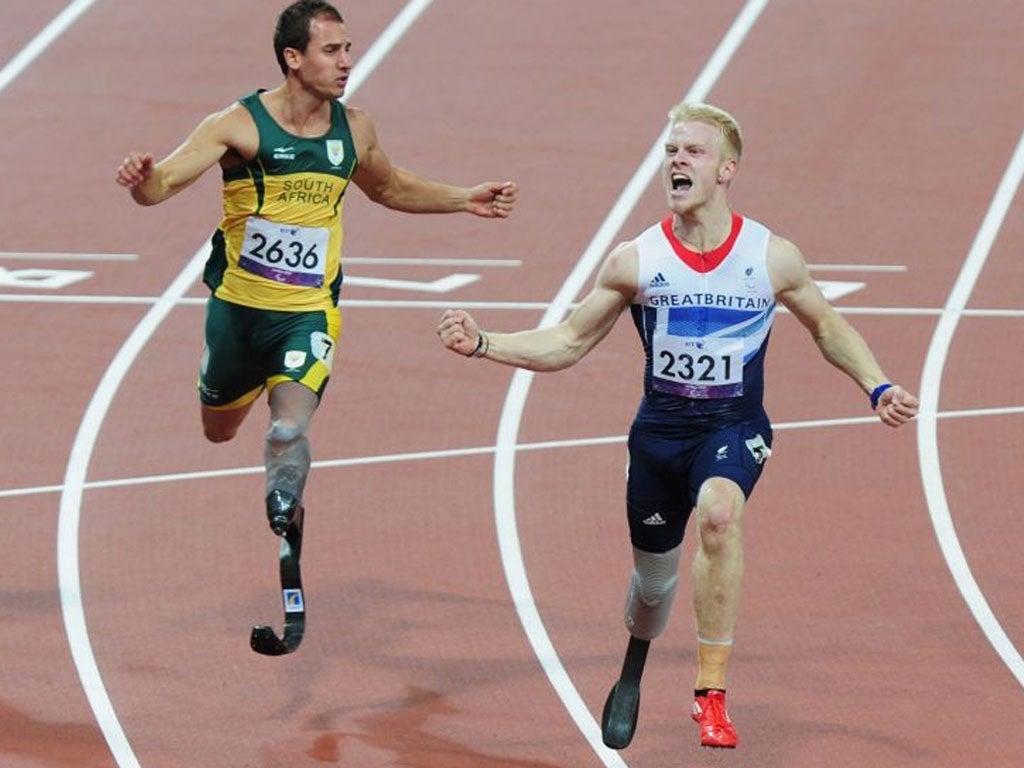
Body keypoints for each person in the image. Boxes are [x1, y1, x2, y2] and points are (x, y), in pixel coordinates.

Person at [436, 102, 917, 750]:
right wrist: (484, 343)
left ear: (726, 170)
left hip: (733, 428)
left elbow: (828, 326)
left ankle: (710, 694)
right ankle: (635, 661)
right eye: (671, 150)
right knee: (654, 585)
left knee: (721, 512)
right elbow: (568, 342)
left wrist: (876, 383)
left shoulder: (770, 256)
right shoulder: (637, 261)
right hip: (658, 440)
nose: (676, 161)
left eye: (691, 151)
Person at [115, 0, 517, 540]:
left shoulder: (354, 129)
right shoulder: (237, 125)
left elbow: (389, 186)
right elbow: (160, 187)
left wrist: (463, 198)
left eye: (347, 48)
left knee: (288, 428)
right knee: (219, 431)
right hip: (237, 313)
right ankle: (245, 409)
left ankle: (284, 507)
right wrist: (142, 179)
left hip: (308, 314)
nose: (347, 60)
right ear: (293, 58)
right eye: (332, 50)